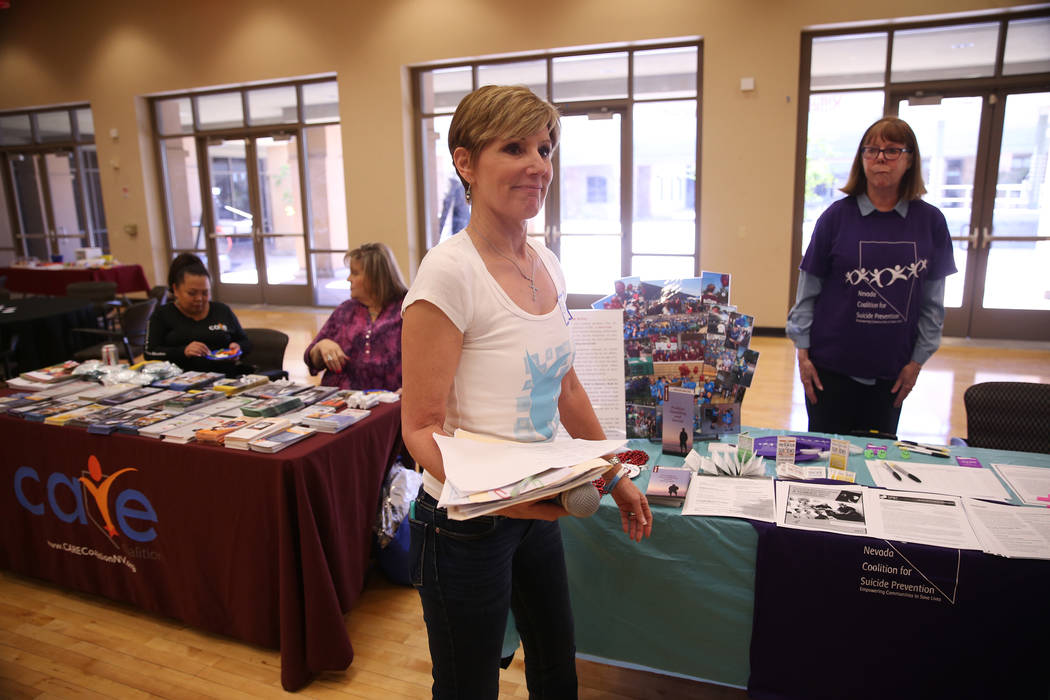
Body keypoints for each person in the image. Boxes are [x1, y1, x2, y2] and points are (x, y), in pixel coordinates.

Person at [400, 85, 652, 700]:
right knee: (468, 685)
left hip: (538, 505)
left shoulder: (546, 262)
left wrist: (613, 473)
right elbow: (420, 428)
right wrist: (504, 501)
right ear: (465, 162)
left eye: (545, 147)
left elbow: (564, 384)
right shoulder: (448, 272)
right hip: (465, 522)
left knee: (555, 668)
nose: (539, 164)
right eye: (515, 147)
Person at [786, 116, 956, 437]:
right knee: (822, 460)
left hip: (892, 373)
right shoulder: (835, 218)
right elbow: (807, 293)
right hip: (829, 370)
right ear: (861, 159)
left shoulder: (931, 222)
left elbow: (933, 305)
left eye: (892, 150)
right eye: (871, 150)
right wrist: (803, 354)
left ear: (909, 160)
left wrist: (917, 362)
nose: (880, 158)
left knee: (876, 463)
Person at [303, 242, 406, 391]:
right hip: (340, 400)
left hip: (388, 402)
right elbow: (311, 360)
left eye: (355, 273)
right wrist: (321, 346)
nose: (348, 279)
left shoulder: (406, 311)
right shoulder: (346, 310)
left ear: (375, 277)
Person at [144, 255, 253, 376]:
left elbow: (245, 341)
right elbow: (149, 353)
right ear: (175, 289)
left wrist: (238, 348)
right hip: (181, 380)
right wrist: (183, 351)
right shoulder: (162, 315)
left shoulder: (222, 310)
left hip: (227, 378)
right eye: (192, 293)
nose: (199, 299)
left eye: (205, 293)